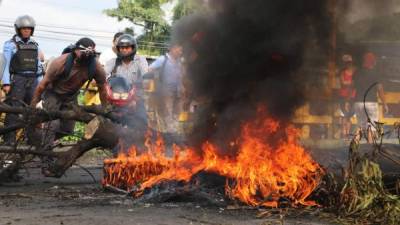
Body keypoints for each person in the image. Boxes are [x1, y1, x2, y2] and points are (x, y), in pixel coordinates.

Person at [31, 38, 108, 168]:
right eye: (83, 52)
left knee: (67, 129)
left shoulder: (95, 67)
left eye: (89, 53)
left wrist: (105, 109)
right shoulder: (60, 62)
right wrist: (33, 104)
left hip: (71, 97)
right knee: (52, 124)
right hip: (53, 94)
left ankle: (42, 141)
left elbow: (102, 89)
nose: (85, 56)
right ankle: (46, 156)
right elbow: (42, 85)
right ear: (76, 50)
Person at [2, 15, 44, 145]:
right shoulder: (10, 44)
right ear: (18, 29)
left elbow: (38, 66)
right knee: (13, 111)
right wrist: (6, 82)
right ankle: (9, 141)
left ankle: (31, 140)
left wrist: (41, 83)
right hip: (17, 80)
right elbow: (4, 64)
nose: (27, 31)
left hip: (33, 80)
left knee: (33, 111)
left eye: (29, 29)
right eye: (24, 29)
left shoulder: (35, 45)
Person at [104, 34, 149, 131]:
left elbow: (146, 75)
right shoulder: (113, 62)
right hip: (115, 98)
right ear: (118, 49)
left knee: (143, 119)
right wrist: (99, 79)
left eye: (127, 47)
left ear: (133, 48)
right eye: (121, 48)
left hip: (136, 97)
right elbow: (103, 74)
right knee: (105, 118)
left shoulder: (140, 60)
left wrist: (136, 98)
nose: (124, 50)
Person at [149, 43, 184, 136]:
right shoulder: (162, 59)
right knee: (168, 111)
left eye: (181, 50)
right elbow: (150, 69)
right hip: (166, 91)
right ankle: (170, 132)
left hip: (178, 91)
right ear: (172, 49)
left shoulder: (179, 62)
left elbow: (181, 76)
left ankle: (174, 129)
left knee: (178, 110)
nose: (180, 52)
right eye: (178, 50)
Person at [353, 52, 388, 142]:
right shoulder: (376, 74)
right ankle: (369, 150)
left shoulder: (357, 72)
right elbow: (380, 89)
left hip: (358, 102)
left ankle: (354, 148)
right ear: (373, 62)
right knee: (371, 127)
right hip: (371, 103)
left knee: (359, 126)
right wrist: (384, 104)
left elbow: (352, 87)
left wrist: (348, 100)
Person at [338, 54, 356, 139]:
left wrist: (348, 83)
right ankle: (344, 134)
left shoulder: (355, 72)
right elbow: (343, 83)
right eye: (346, 63)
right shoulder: (342, 72)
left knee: (349, 116)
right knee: (344, 115)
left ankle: (347, 134)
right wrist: (351, 83)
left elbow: (354, 83)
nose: (347, 64)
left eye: (349, 62)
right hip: (343, 96)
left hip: (352, 96)